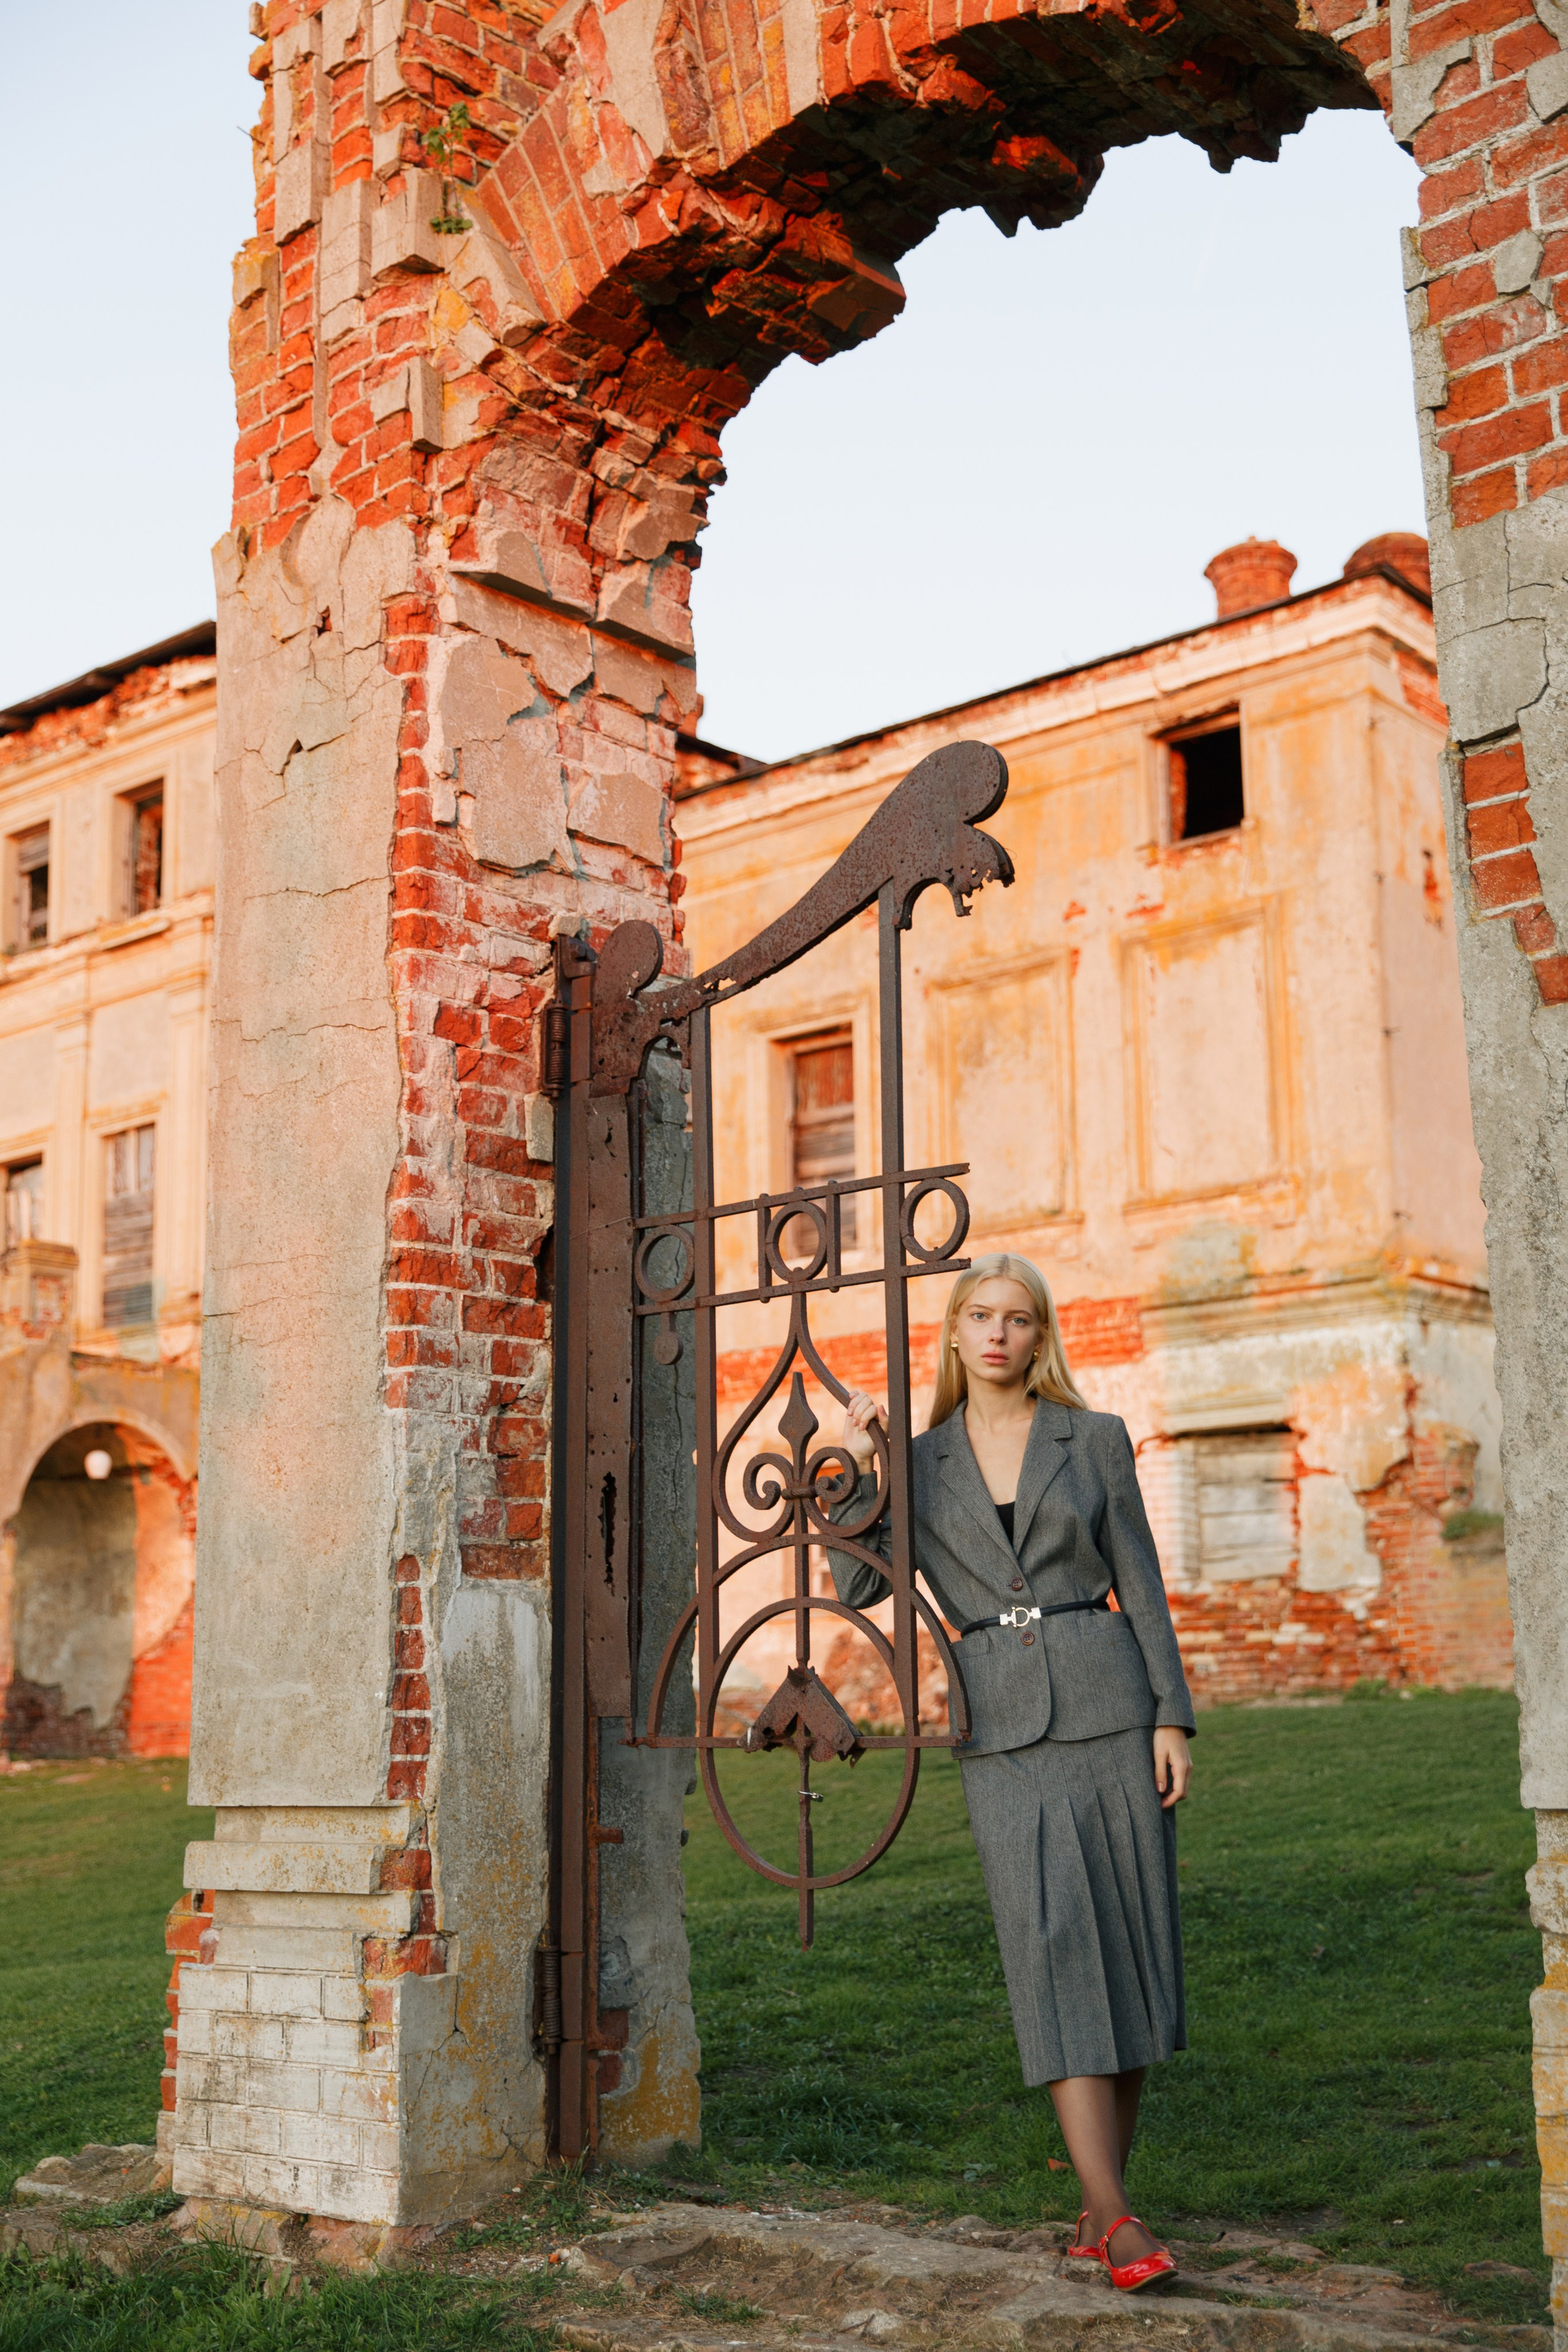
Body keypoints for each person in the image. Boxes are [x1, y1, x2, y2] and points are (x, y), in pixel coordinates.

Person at [827, 1251, 1194, 2293]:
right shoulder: (922, 1460)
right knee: (1052, 1948)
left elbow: (1145, 1584)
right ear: (953, 1332)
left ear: (1042, 1337)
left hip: (1112, 1706)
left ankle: (1097, 2208)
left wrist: (1174, 1717)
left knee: (1127, 1944)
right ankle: (1120, 2219)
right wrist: (858, 1464)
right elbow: (856, 1581)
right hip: (999, 1729)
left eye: (1018, 1318)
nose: (997, 1334)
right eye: (979, 1316)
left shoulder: (1097, 1441)